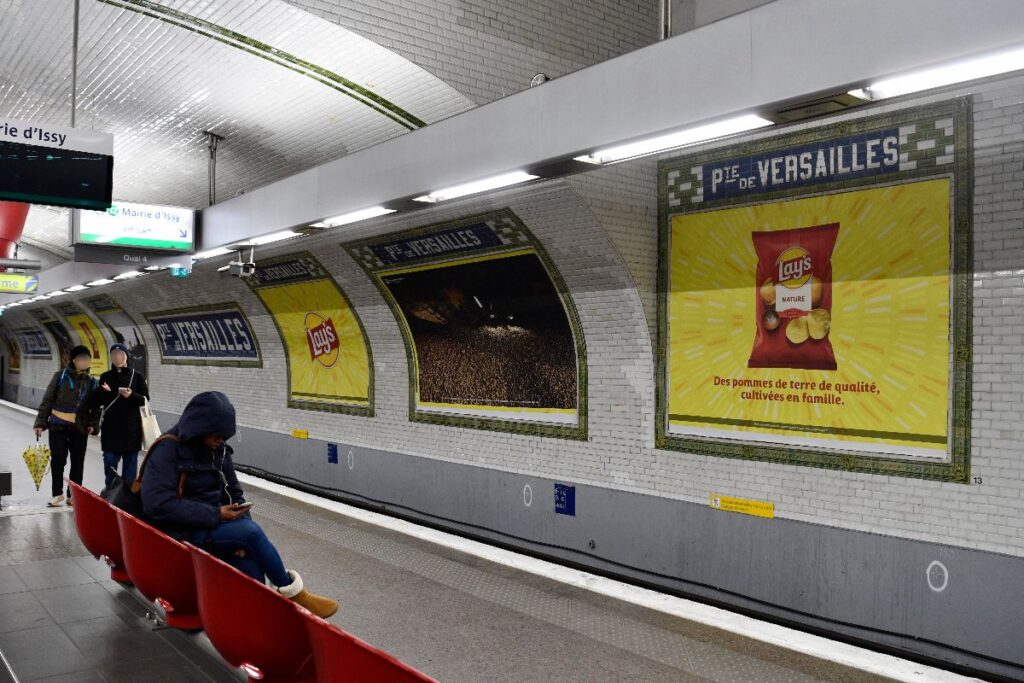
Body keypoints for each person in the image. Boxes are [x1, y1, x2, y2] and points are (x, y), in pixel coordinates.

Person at [140, 391, 338, 618]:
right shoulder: (167, 450)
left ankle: (260, 623)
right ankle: (293, 593)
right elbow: (157, 504)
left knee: (249, 560)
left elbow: (234, 493)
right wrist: (216, 515)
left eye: (225, 436)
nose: (221, 440)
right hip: (178, 532)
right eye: (216, 434)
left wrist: (240, 532)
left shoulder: (219, 450)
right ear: (199, 426)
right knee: (251, 533)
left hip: (211, 526)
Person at [33, 345, 101, 507]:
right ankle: (57, 494)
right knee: (58, 461)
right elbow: (47, 400)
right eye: (82, 359)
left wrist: (93, 424)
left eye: (87, 359)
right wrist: (41, 422)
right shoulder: (60, 377)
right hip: (58, 427)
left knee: (78, 462)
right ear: (74, 360)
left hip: (79, 428)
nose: (85, 362)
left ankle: (74, 495)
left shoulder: (91, 382)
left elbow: (96, 407)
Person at [94, 342, 150, 493]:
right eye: (114, 355)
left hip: (131, 429)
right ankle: (111, 490)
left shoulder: (136, 376)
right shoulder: (105, 376)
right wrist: (103, 391)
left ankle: (126, 493)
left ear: (126, 356)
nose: (117, 357)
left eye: (120, 354)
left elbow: (145, 399)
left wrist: (131, 395)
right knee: (110, 461)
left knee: (130, 464)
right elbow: (99, 401)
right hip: (111, 429)